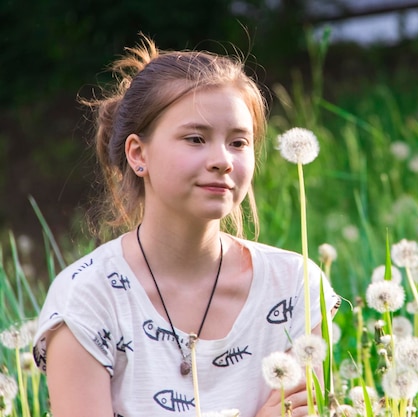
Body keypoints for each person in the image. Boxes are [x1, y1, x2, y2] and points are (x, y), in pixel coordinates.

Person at [33, 36, 338, 417]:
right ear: (138, 154)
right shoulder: (87, 299)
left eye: (238, 142)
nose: (222, 160)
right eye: (196, 138)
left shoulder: (294, 288)